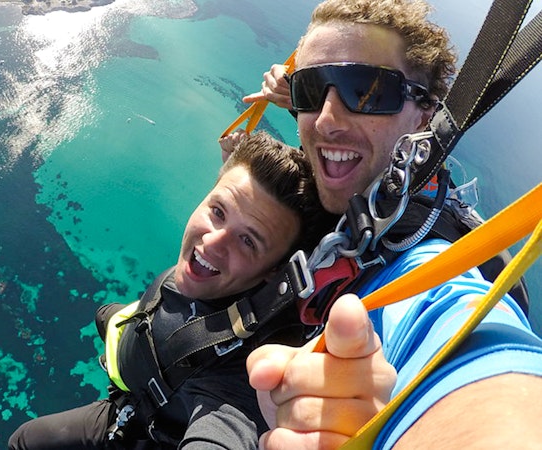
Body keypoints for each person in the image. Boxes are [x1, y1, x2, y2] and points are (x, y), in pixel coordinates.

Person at [219, 0, 542, 448]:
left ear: (425, 114)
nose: (327, 120)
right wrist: (294, 98)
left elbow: (481, 368)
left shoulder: (426, 265)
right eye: (312, 89)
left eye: (368, 92)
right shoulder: (359, 183)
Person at [9, 131, 336, 449]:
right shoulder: (224, 260)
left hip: (142, 426)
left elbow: (229, 429)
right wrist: (233, 158)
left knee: (23, 441)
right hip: (148, 339)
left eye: (248, 241)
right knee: (103, 315)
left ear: (275, 271)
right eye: (218, 211)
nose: (212, 242)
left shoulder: (243, 372)